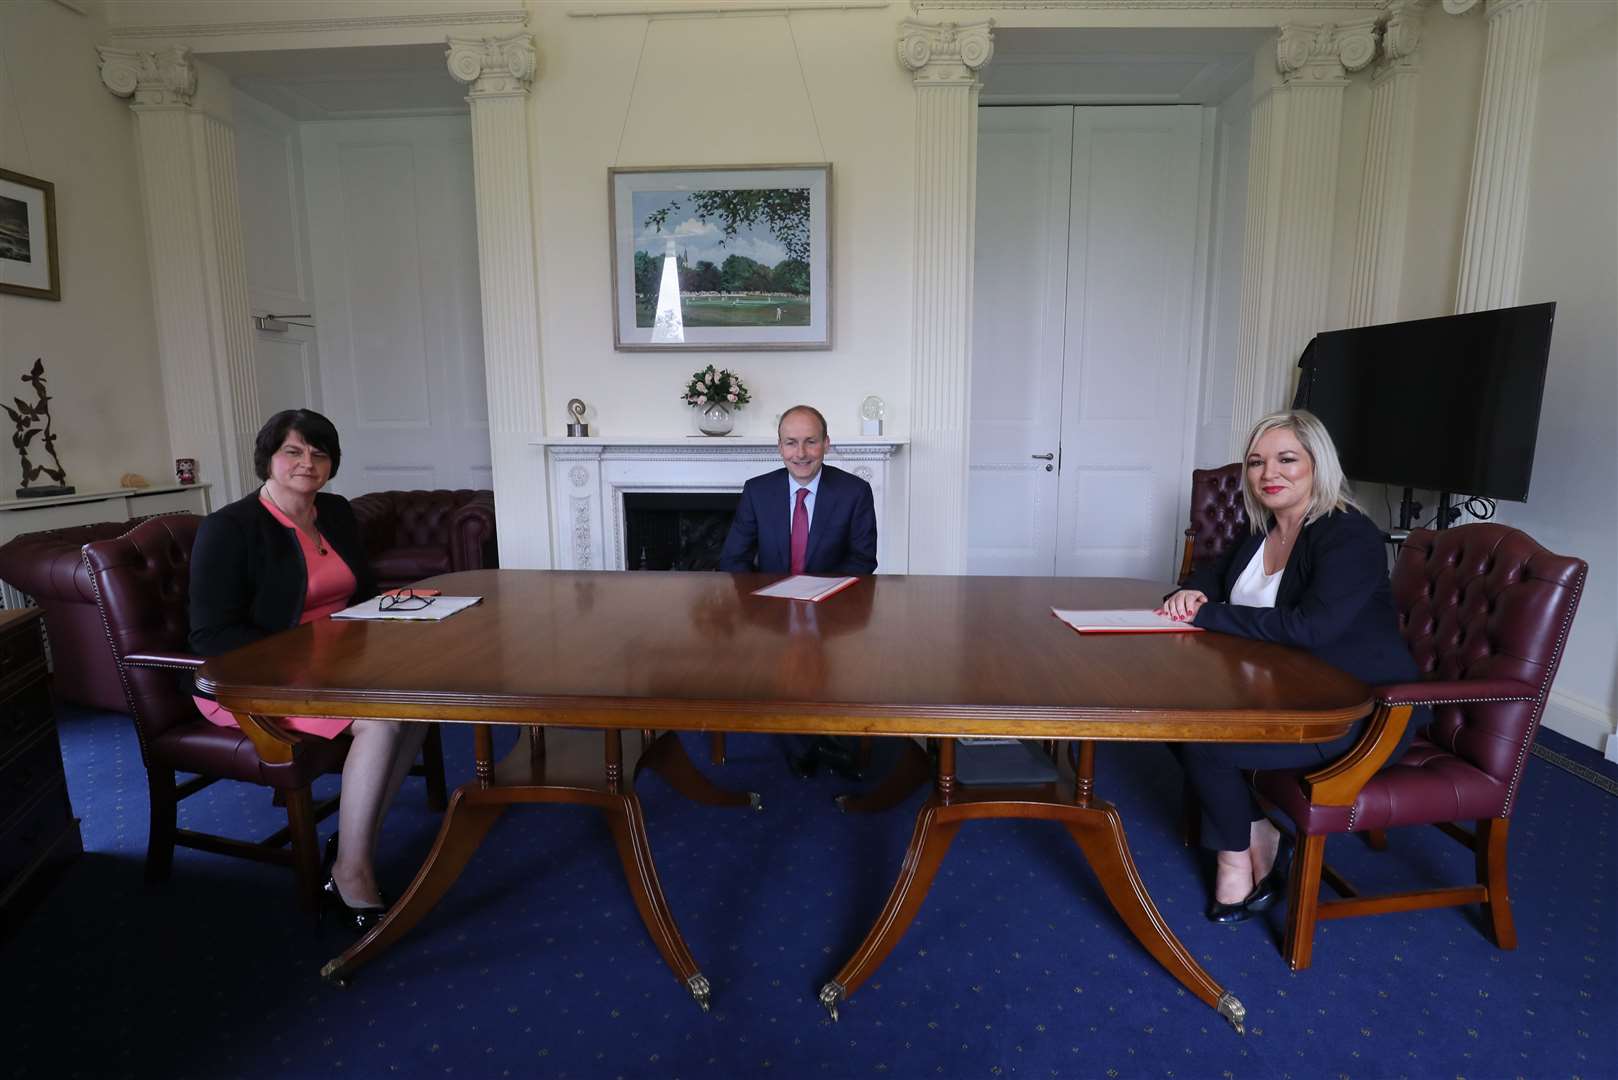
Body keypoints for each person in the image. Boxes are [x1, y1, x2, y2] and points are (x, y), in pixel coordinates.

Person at [1158, 409, 1425, 924]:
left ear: (1317, 465)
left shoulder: (1347, 534)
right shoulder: (1265, 531)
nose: (1268, 474)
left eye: (1286, 459)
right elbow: (1212, 577)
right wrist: (1191, 592)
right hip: (1284, 691)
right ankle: (1258, 827)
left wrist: (1207, 615)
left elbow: (1310, 628)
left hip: (1356, 711)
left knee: (1202, 739)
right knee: (1165, 716)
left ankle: (1234, 861)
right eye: (1257, 462)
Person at [189, 409, 430, 932]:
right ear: (268, 460)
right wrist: (310, 653)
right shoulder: (229, 528)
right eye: (293, 452)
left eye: (319, 453)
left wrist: (399, 610)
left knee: (420, 704)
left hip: (336, 666)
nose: (307, 463)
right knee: (382, 720)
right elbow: (210, 637)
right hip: (252, 680)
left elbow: (357, 595)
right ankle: (351, 873)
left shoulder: (336, 513)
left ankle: (352, 838)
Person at [719, 405, 877, 776]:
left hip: (833, 609)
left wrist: (822, 599)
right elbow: (734, 559)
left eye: (810, 442)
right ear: (779, 446)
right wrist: (758, 608)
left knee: (835, 667)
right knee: (781, 667)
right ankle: (811, 744)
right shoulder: (758, 491)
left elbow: (862, 559)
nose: (801, 453)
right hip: (771, 610)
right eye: (791, 443)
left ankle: (819, 740)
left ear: (826, 444)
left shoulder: (854, 492)